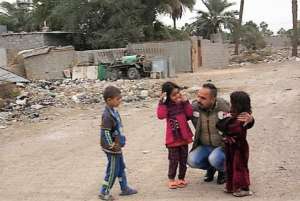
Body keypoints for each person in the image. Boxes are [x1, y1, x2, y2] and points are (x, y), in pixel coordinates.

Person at [188, 83, 254, 185]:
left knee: (215, 159)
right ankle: (211, 168)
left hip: (223, 147)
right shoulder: (195, 107)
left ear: (213, 99)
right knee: (192, 160)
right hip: (205, 146)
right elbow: (177, 114)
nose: (199, 100)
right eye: (198, 96)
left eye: (203, 98)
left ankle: (224, 171)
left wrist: (251, 120)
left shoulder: (225, 106)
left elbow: (241, 120)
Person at [99, 86, 137, 201]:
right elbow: (105, 133)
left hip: (117, 146)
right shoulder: (107, 116)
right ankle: (104, 191)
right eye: (117, 99)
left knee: (120, 167)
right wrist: (112, 146)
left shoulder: (114, 111)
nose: (120, 100)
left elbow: (118, 128)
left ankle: (124, 187)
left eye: (120, 98)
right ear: (109, 100)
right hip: (112, 149)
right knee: (113, 170)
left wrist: (121, 140)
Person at [216, 91, 254, 197]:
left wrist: (226, 123)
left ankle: (242, 188)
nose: (230, 104)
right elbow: (221, 125)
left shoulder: (243, 117)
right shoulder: (233, 115)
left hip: (239, 146)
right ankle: (231, 186)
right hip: (230, 145)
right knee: (230, 165)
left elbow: (232, 128)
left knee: (239, 166)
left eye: (232, 102)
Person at [157, 82, 194, 189]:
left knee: (183, 159)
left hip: (184, 137)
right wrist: (161, 102)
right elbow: (161, 116)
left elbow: (190, 113)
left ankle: (181, 178)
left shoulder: (182, 103)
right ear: (167, 97)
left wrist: (186, 102)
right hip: (173, 138)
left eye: (178, 93)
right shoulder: (166, 106)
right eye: (174, 95)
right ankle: (171, 179)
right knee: (173, 160)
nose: (177, 96)